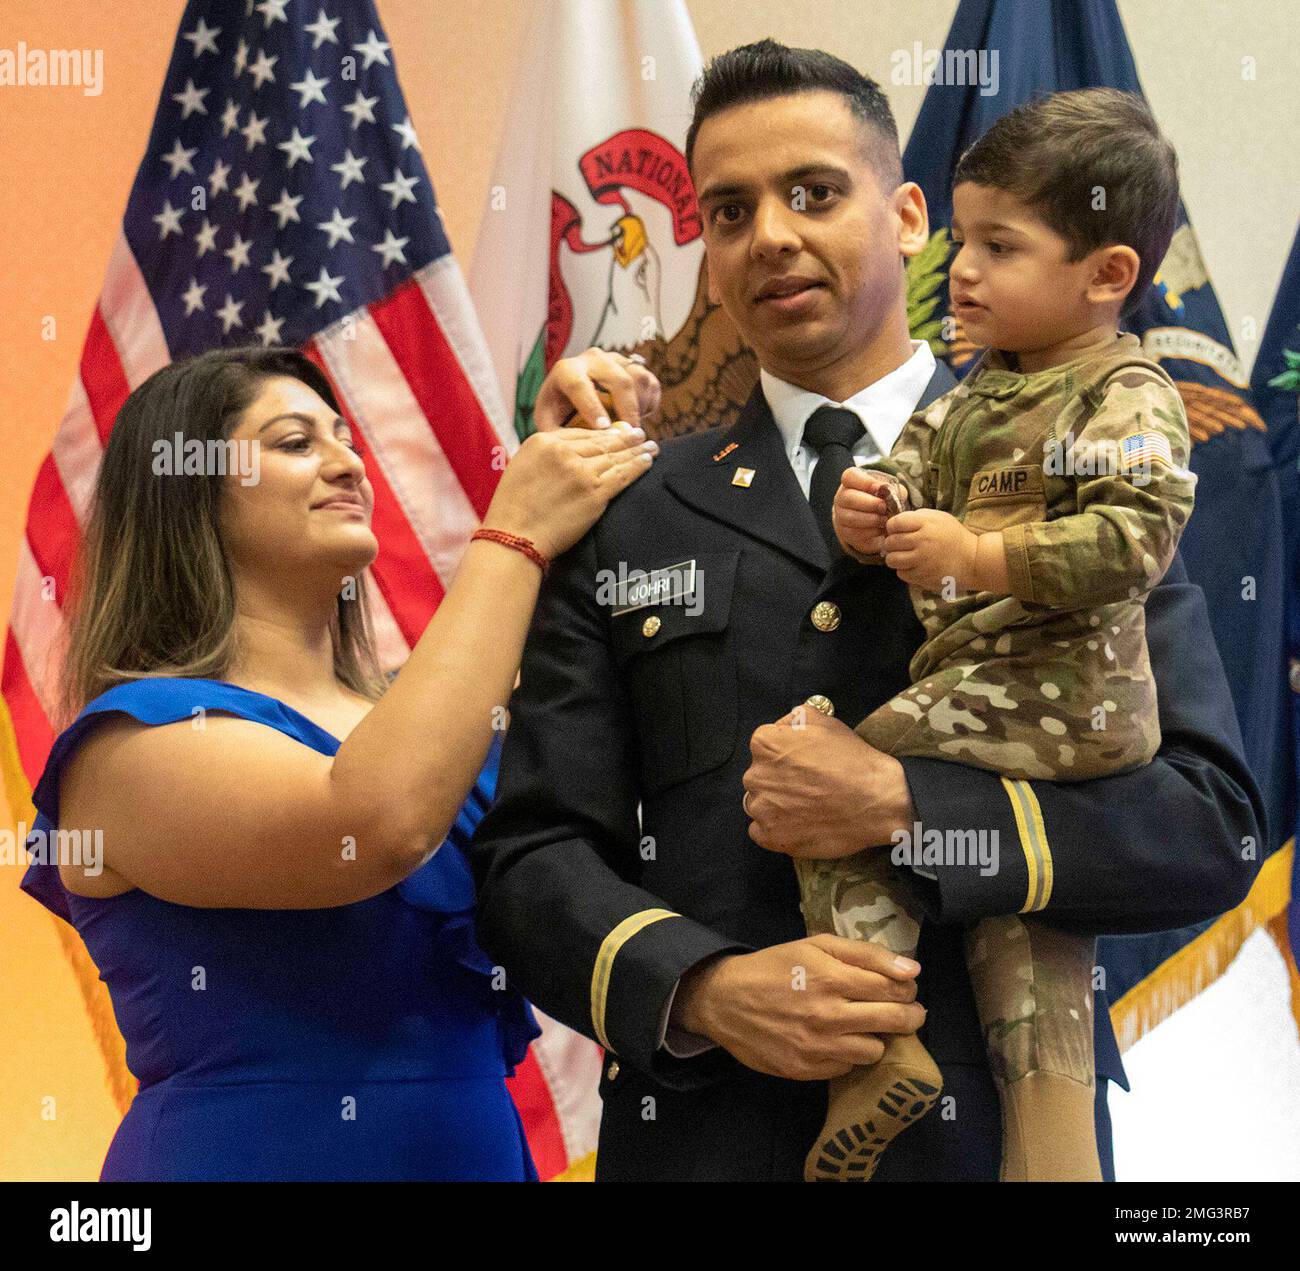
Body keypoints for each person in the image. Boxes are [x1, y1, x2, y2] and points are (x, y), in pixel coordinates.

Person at [469, 41, 1264, 1182]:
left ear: (904, 217)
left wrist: (907, 804)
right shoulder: (625, 509)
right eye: (729, 211)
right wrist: (699, 986)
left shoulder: (1078, 446)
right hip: (714, 1139)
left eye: (813, 193)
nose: (771, 237)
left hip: (998, 1144)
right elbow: (533, 856)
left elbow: (1205, 820)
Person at [20, 345, 656, 1180]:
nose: (348, 460)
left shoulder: (425, 722)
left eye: (345, 436)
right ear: (186, 491)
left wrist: (588, 450)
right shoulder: (125, 743)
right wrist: (516, 531)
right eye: (294, 442)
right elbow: (375, 822)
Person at [800, 87, 1195, 1182]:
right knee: (1019, 905)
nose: (960, 269)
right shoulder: (980, 388)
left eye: (998, 244)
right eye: (962, 239)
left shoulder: (1125, 392)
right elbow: (907, 467)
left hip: (1066, 692)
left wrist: (975, 557)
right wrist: (866, 506)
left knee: (829, 788)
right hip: (1008, 695)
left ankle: (874, 1048)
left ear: (1106, 273)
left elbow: (1130, 539)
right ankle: (1053, 1148)